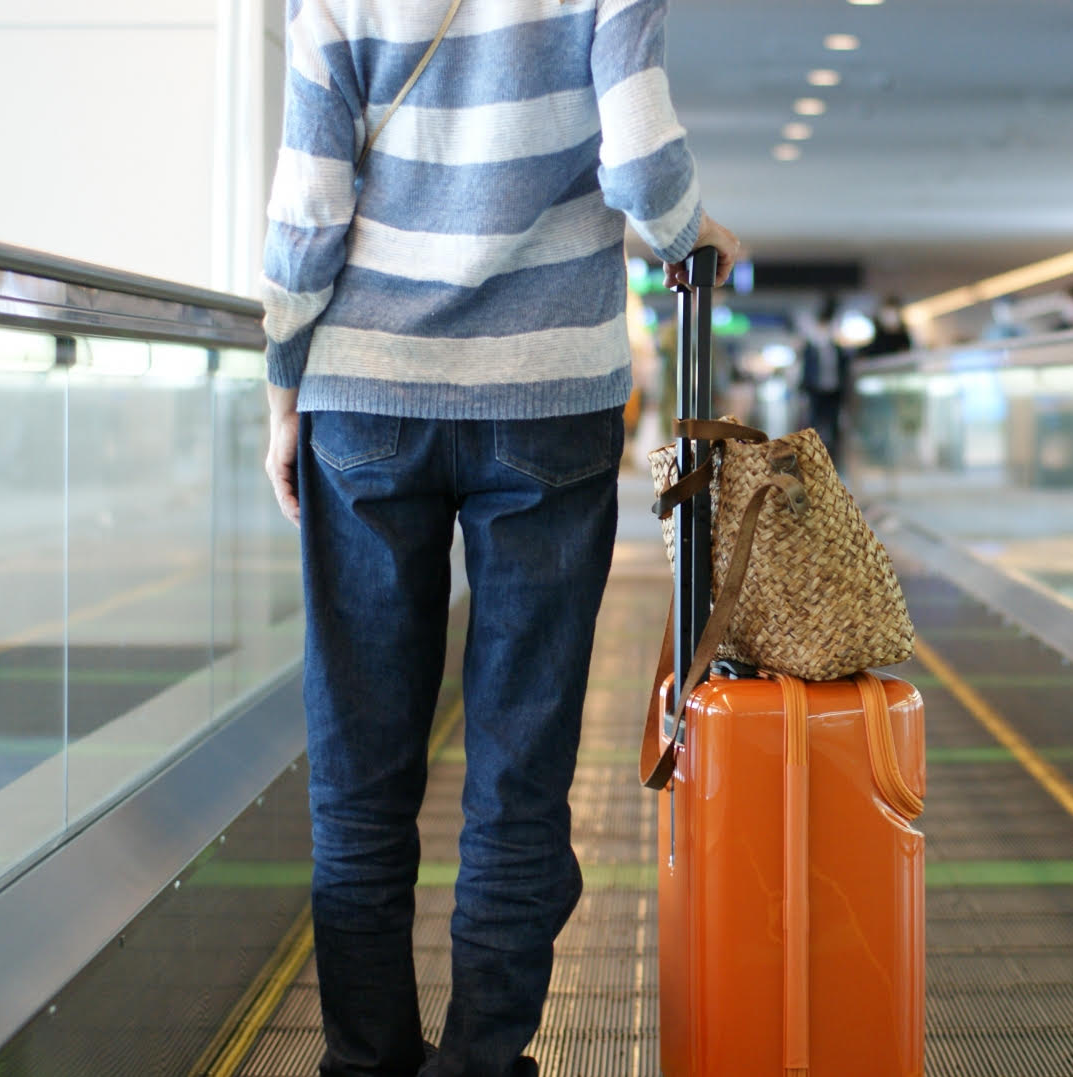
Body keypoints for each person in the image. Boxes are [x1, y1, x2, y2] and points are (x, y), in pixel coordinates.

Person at [258, 0, 743, 1074]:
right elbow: (640, 153)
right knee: (518, 771)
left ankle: (365, 1059)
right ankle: (482, 1059)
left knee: (359, 772)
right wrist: (689, 236)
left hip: (366, 392)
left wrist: (284, 387)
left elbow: (309, 204)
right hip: (547, 396)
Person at [800, 296, 850, 460]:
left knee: (833, 425)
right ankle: (814, 456)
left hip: (834, 392)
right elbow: (806, 371)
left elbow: (844, 368)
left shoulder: (837, 349)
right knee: (815, 424)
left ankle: (832, 457)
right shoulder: (811, 349)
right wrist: (804, 391)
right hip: (816, 392)